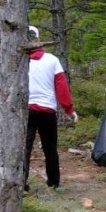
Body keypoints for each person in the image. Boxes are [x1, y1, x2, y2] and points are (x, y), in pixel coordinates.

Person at [24, 25, 78, 190]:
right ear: (38, 40)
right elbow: (62, 88)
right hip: (47, 110)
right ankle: (53, 183)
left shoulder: (17, 60)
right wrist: (69, 110)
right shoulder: (52, 60)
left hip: (26, 110)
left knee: (24, 148)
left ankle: (21, 183)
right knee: (50, 148)